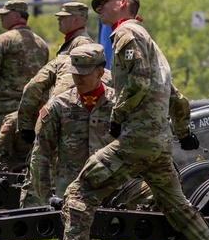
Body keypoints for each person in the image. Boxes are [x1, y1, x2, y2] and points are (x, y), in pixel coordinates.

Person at [60, 0, 209, 240]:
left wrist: (117, 115)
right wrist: (183, 133)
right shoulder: (149, 41)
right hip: (159, 144)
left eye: (105, 2)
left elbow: (139, 83)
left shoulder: (126, 34)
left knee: (80, 190)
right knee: (180, 208)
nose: (99, 8)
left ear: (124, 2)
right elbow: (177, 97)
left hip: (136, 140)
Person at [27, 42, 152, 212]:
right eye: (75, 73)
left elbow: (139, 145)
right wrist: (47, 197)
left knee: (157, 194)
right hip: (74, 192)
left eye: (84, 74)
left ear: (101, 72)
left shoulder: (120, 104)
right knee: (76, 235)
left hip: (115, 188)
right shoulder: (58, 106)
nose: (78, 78)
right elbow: (41, 154)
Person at [16, 2, 96, 143]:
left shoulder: (82, 45)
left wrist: (26, 125)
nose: (59, 19)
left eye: (64, 17)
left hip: (70, 114)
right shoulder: (71, 43)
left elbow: (73, 84)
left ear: (76, 20)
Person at [0, 0, 49, 144]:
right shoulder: (41, 43)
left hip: (6, 107)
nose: (1, 17)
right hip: (33, 108)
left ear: (17, 16)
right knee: (28, 152)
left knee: (4, 151)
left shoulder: (3, 41)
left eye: (5, 14)